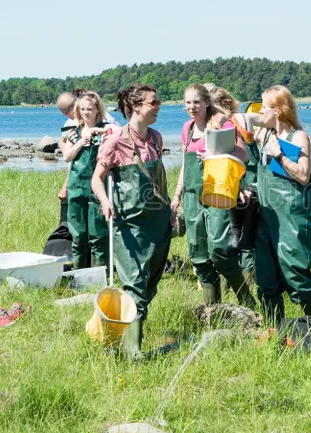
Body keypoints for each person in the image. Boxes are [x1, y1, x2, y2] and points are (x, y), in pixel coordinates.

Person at [92, 83, 171, 359]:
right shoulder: (116, 141)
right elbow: (96, 180)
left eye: (158, 101)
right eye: (153, 102)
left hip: (159, 222)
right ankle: (133, 353)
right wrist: (105, 201)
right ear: (136, 106)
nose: (158, 106)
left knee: (150, 284)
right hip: (130, 226)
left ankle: (122, 340)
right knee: (135, 284)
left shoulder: (157, 138)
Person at [170, 84, 256, 307]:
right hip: (191, 196)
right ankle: (213, 311)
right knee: (198, 253)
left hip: (217, 193)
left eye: (196, 102)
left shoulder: (222, 123)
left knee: (219, 250)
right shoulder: (187, 128)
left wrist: (216, 152)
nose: (192, 107)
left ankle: (248, 303)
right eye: (188, 103)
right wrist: (177, 195)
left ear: (206, 102)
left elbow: (243, 155)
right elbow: (183, 165)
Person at [252, 85, 311, 323]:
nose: (260, 111)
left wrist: (279, 154)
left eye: (264, 107)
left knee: (296, 272)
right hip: (266, 216)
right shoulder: (264, 135)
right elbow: (239, 121)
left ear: (278, 111)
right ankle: (275, 331)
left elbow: (303, 175)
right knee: (265, 276)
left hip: (292, 217)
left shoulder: (298, 136)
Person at [210, 86, 259, 282]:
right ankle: (242, 281)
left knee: (242, 236)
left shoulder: (237, 120)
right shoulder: (228, 123)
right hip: (240, 179)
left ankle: (247, 280)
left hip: (246, 179)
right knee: (239, 235)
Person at [61, 90, 110, 268]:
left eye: (90, 109)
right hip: (76, 187)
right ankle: (79, 274)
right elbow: (67, 157)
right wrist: (81, 142)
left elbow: (122, 137)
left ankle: (100, 276)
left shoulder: (106, 131)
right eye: (82, 109)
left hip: (98, 188)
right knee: (78, 234)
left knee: (98, 234)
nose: (86, 112)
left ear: (98, 110)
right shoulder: (73, 132)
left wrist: (103, 133)